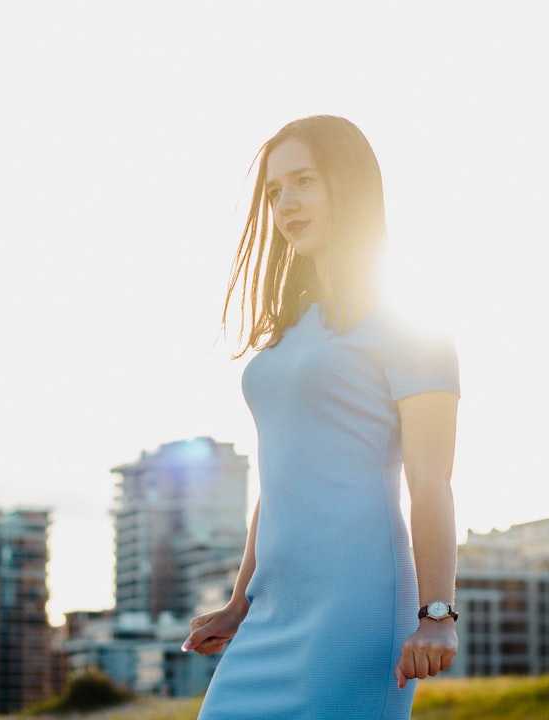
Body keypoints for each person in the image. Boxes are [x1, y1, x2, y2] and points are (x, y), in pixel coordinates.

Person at [182, 115, 460, 720]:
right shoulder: (285, 334)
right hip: (272, 607)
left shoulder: (412, 328)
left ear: (349, 185)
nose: (286, 204)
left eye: (304, 181)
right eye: (275, 192)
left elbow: (431, 481)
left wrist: (437, 615)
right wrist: (238, 604)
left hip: (356, 604)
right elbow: (282, 476)